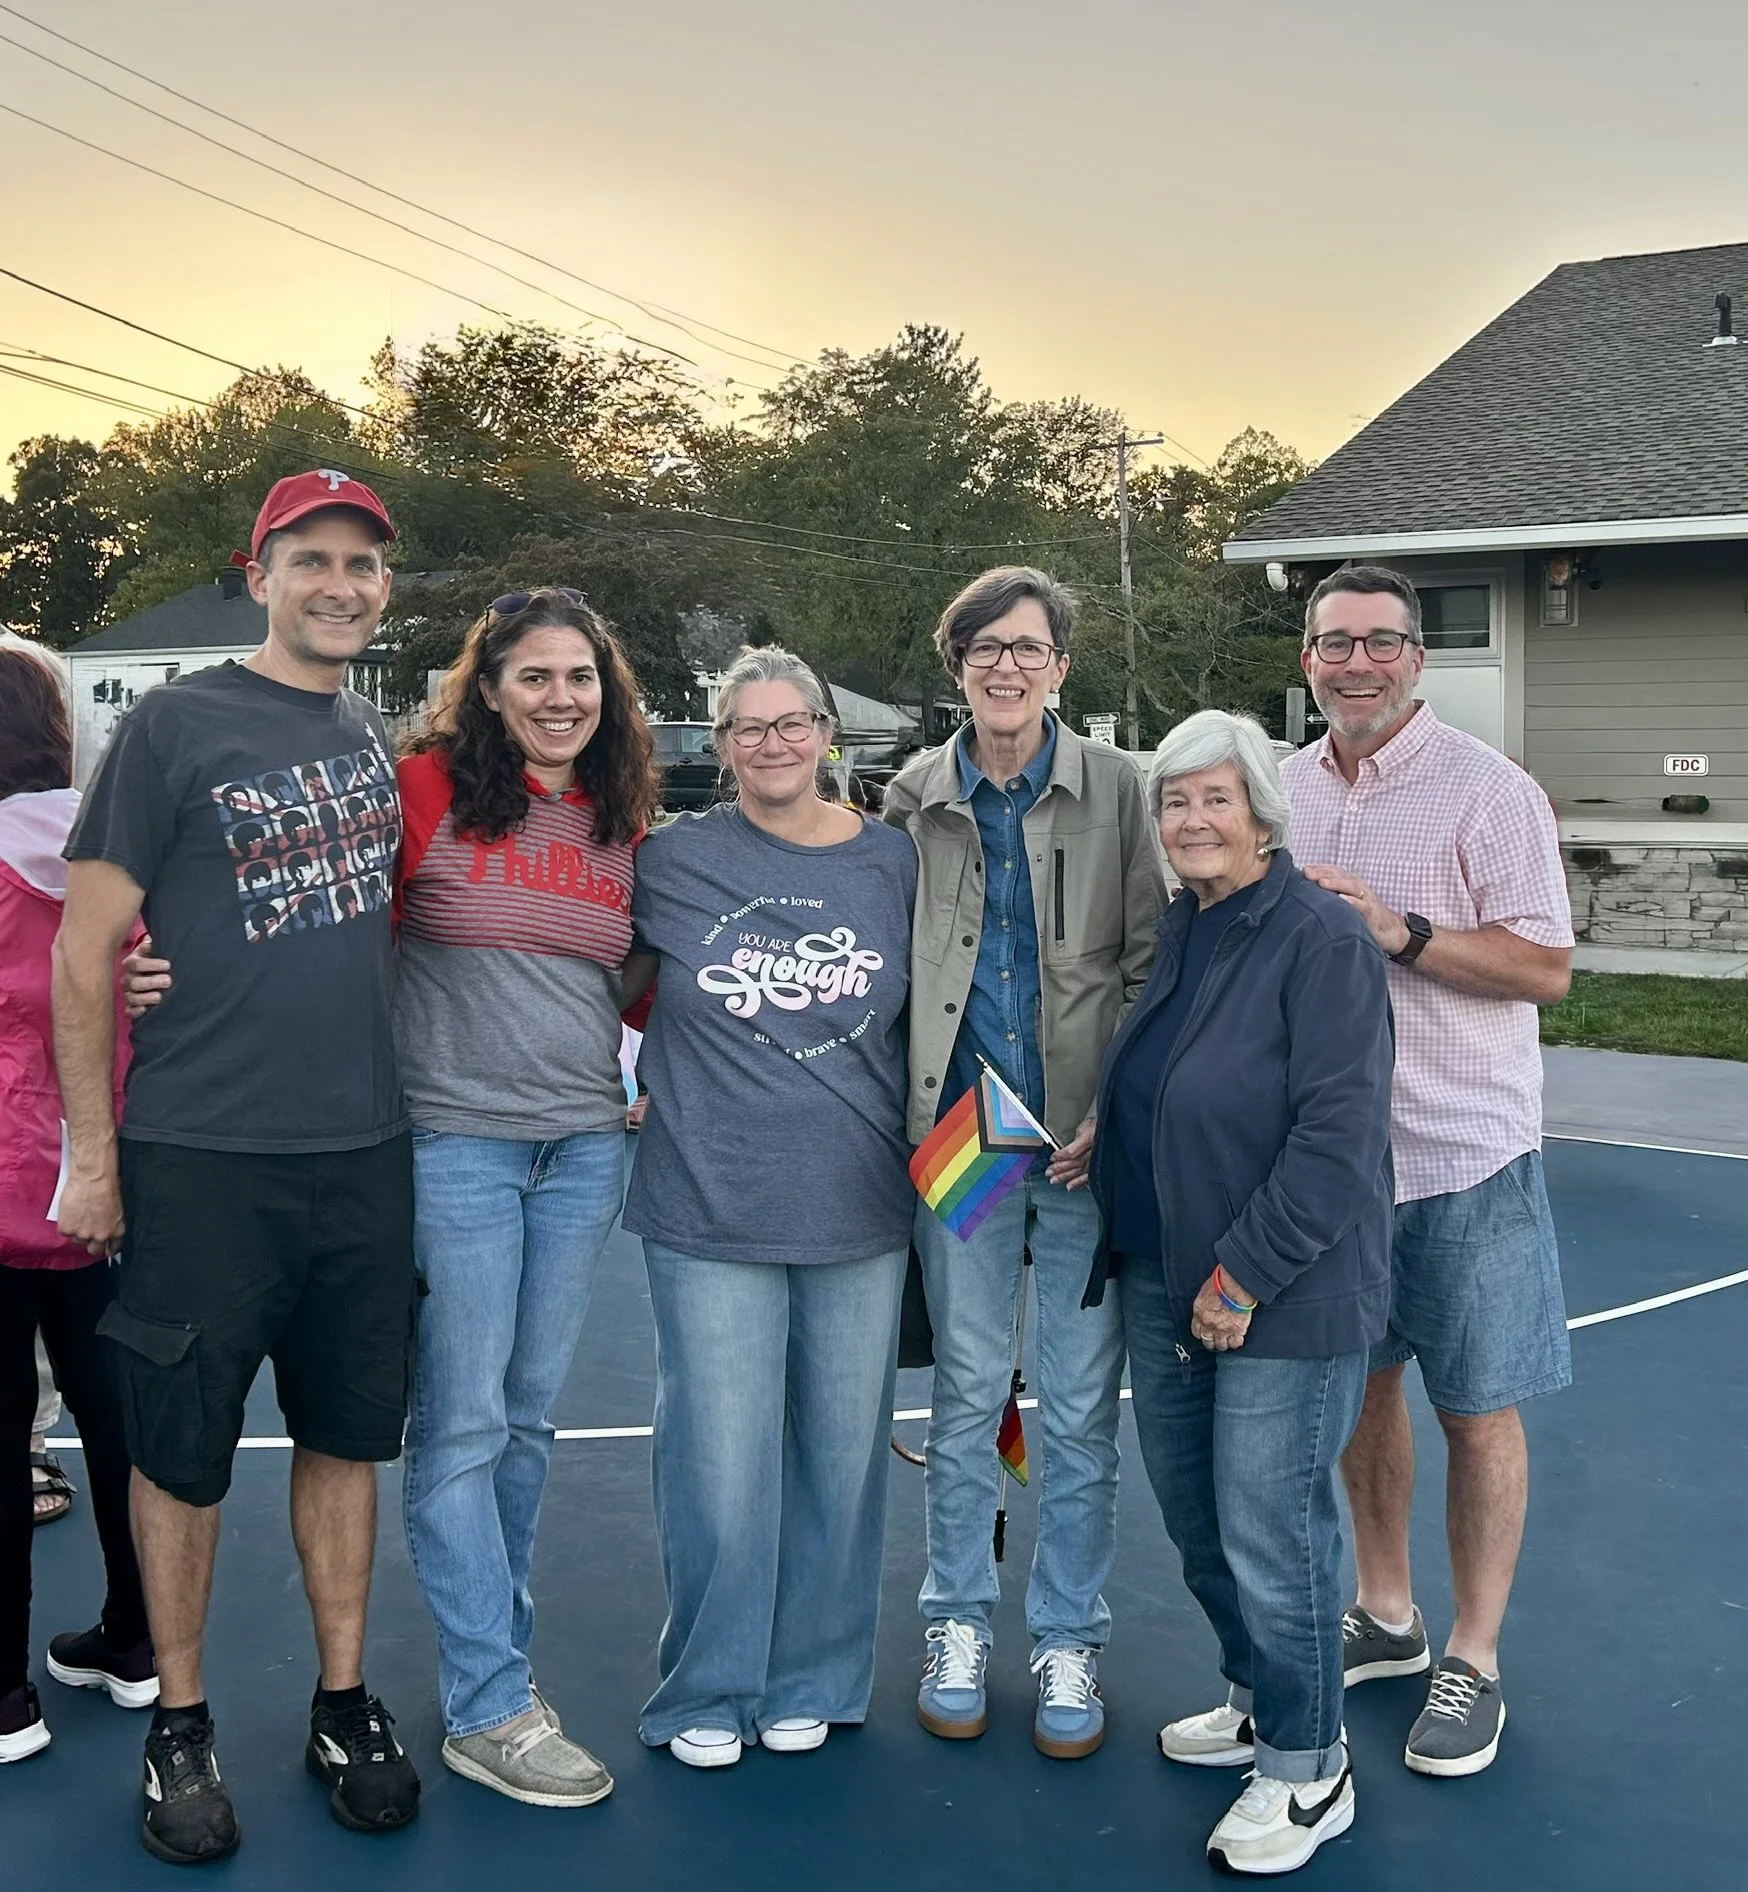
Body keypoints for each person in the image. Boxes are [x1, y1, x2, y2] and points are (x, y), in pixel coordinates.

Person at [53, 472, 421, 1863]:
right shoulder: (172, 722)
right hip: (202, 1158)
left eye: (363, 565)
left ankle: (341, 1699)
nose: (340, 584)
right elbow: (86, 952)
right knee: (184, 1454)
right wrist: (95, 1160)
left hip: (365, 1156)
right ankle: (183, 1722)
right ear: (258, 571)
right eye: (311, 559)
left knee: (344, 1438)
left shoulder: (370, 732)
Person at [1088, 710, 1392, 1875]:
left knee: (1272, 1532)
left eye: (1215, 798)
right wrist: (1103, 1126)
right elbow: (1179, 1080)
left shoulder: (1317, 938)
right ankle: (1259, 1694)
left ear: (1262, 812)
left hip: (1280, 1289)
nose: (1192, 820)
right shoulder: (1190, 924)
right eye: (1174, 801)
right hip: (1166, 1276)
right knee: (1199, 1520)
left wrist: (1243, 1273)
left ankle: (1310, 1767)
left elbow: (1335, 1133)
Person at [1283, 565, 1574, 1778]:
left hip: (1462, 1152)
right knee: (1362, 1393)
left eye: (1379, 642)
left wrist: (1396, 929)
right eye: (1332, 642)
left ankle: (1476, 1652)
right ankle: (1388, 1609)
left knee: (1476, 1403)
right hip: (1329, 1161)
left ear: (1417, 656)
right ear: (1305, 657)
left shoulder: (1489, 793)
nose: (1355, 662)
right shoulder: (1280, 788)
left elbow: (1544, 968)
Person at [882, 568, 1164, 1758]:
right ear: (958, 666)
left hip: (1082, 1142)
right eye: (985, 647)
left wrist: (1113, 1108)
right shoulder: (908, 794)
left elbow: (1155, 968)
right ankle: (955, 1619)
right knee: (963, 1392)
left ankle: (1066, 1636)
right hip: (966, 1134)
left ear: (1061, 665)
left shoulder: (1122, 789)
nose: (1007, 665)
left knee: (1081, 1408)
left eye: (1028, 646)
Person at [620, 646, 917, 1768]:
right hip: (707, 1199)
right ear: (720, 742)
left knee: (840, 1460)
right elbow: (589, 975)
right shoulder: (670, 859)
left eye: (792, 722)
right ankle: (705, 1681)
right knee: (715, 1460)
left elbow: (942, 1004)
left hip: (857, 1202)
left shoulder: (892, 860)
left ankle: (815, 1674)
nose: (772, 743)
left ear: (827, 732)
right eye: (747, 727)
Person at [395, 588, 659, 1806]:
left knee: (527, 1417)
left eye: (582, 677)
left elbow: (644, 987)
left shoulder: (620, 823)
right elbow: (326, 930)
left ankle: (490, 1668)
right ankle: (490, 1700)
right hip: (456, 1145)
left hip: (581, 1152)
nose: (562, 698)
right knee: (462, 1421)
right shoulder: (424, 793)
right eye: (535, 675)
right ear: (488, 687)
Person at [0, 641, 157, 1763]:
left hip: (3, 1190)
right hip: (110, 1188)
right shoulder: (118, 857)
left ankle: (3, 1698)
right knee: (121, 1429)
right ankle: (140, 1638)